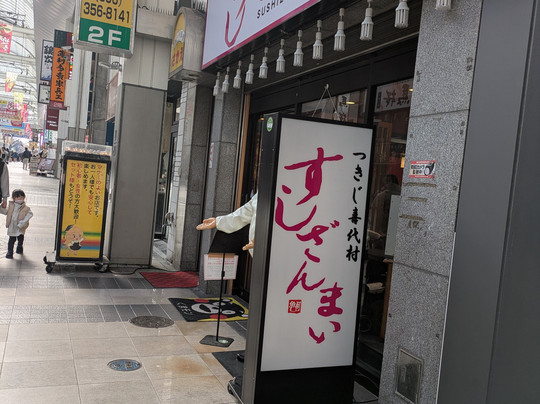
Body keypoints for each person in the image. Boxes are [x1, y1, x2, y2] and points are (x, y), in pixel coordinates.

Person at [2, 189, 32, 258]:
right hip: (12, 226)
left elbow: (29, 215)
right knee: (11, 240)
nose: (20, 199)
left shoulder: (26, 208)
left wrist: (22, 223)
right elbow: (6, 211)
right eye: (18, 198)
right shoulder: (11, 206)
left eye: (21, 198)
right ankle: (10, 252)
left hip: (20, 227)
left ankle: (19, 247)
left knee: (20, 238)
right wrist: (2, 207)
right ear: (14, 198)